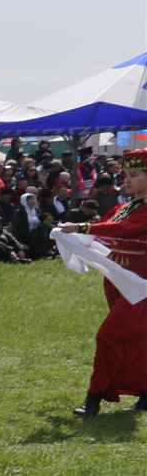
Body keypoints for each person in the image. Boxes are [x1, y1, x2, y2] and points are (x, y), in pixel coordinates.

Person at [59, 149, 147, 416]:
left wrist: (82, 228)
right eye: (126, 174)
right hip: (117, 279)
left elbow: (125, 230)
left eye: (135, 175)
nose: (127, 179)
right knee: (136, 338)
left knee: (108, 335)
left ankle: (94, 398)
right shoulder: (123, 207)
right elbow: (105, 229)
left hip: (140, 286)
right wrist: (69, 235)